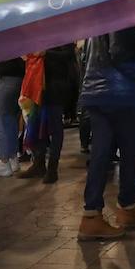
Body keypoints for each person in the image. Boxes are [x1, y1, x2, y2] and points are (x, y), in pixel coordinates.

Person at [76, 26, 135, 240]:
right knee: (129, 151)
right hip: (121, 93)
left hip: (96, 92)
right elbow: (120, 53)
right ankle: (127, 208)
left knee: (100, 152)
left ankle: (91, 215)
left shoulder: (96, 20)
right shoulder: (122, 16)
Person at [17, 44, 79, 184]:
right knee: (35, 126)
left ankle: (52, 168)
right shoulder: (38, 34)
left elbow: (68, 54)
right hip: (37, 87)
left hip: (55, 87)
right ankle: (38, 164)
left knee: (54, 129)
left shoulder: (62, 34)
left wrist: (46, 53)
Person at [0, 57, 25, 177]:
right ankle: (13, 159)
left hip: (7, 77)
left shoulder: (5, 39)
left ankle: (4, 162)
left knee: (2, 121)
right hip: (20, 79)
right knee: (11, 120)